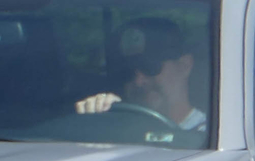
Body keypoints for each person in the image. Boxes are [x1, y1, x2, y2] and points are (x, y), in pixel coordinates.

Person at [74, 18, 204, 131]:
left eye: (149, 67)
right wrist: (99, 116)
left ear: (184, 65)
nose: (138, 81)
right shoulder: (116, 130)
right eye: (126, 72)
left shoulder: (211, 136)